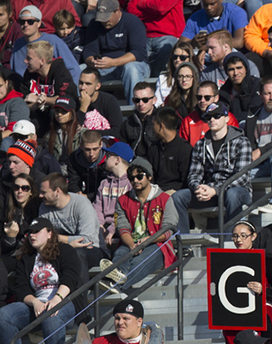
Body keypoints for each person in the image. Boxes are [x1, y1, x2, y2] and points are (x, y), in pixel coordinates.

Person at [174, 101, 252, 227]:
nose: (212, 120)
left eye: (217, 116)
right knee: (178, 197)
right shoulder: (200, 144)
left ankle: (228, 242)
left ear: (227, 118)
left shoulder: (241, 142)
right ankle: (183, 243)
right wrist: (198, 188)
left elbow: (241, 178)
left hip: (236, 191)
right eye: (208, 117)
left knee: (233, 194)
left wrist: (216, 190)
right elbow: (194, 175)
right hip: (209, 191)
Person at [108, 157, 177, 291]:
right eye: (132, 178)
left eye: (140, 176)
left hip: (157, 244)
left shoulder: (165, 199)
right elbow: (123, 227)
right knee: (120, 254)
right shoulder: (122, 200)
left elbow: (168, 230)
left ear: (149, 177)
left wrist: (146, 241)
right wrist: (132, 245)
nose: (135, 181)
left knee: (140, 262)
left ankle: (116, 285)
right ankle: (116, 279)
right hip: (130, 243)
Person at [82, 0, 147, 104]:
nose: (104, 21)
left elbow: (139, 53)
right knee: (80, 70)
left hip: (133, 65)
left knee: (131, 69)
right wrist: (93, 61)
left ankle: (136, 111)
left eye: (107, 17)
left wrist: (113, 62)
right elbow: (88, 51)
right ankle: (79, 111)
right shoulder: (94, 24)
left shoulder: (133, 22)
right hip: (103, 67)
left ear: (117, 11)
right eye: (101, 18)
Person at [36, 173, 101, 267]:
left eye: (44, 192)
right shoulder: (45, 206)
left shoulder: (81, 204)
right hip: (61, 248)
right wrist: (68, 244)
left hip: (92, 249)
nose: (40, 196)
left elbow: (87, 239)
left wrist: (57, 238)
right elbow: (42, 235)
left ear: (57, 191)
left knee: (75, 255)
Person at [12, 6, 78, 88]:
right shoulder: (18, 43)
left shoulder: (53, 41)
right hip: (25, 90)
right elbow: (14, 71)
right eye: (22, 21)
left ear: (39, 23)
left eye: (30, 21)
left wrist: (71, 93)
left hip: (51, 92)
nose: (26, 25)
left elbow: (73, 69)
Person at [146, 106, 193, 197]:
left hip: (176, 194)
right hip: (155, 192)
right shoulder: (154, 148)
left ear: (161, 126)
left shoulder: (184, 149)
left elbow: (185, 181)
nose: (152, 128)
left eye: (153, 124)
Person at [180, 81, 241, 147]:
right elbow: (182, 148)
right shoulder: (188, 120)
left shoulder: (227, 118)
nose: (202, 100)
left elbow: (235, 143)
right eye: (199, 97)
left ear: (216, 98)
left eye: (207, 97)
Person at [181, 0, 248, 50]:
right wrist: (192, 43)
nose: (209, 8)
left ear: (221, 0)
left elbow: (239, 42)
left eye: (212, 4)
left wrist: (205, 47)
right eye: (205, 5)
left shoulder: (236, 12)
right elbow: (180, 45)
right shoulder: (195, 18)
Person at [118, 83, 158, 159]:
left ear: (154, 100)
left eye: (145, 100)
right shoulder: (127, 124)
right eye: (136, 100)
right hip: (133, 164)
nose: (140, 104)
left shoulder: (161, 122)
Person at [152, 39, 196, 107]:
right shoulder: (163, 78)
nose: (177, 60)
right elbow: (157, 103)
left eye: (182, 57)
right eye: (175, 57)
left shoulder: (197, 77)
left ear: (190, 58)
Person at [220, 53, 262, 119]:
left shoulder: (257, 85)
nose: (235, 73)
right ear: (226, 72)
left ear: (246, 69)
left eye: (239, 68)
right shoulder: (223, 92)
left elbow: (254, 111)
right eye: (231, 69)